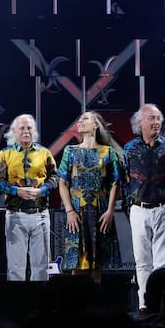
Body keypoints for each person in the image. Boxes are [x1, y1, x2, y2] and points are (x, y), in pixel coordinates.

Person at [123, 103, 165, 313]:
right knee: (142, 261)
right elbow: (125, 180)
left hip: (163, 208)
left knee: (162, 262)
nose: (156, 122)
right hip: (138, 209)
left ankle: (161, 304)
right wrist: (128, 207)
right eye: (151, 118)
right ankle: (144, 305)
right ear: (140, 122)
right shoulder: (129, 148)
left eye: (158, 118)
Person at [58, 111, 123, 283]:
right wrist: (69, 210)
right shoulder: (70, 151)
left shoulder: (108, 152)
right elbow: (62, 182)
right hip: (77, 211)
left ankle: (95, 304)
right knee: (77, 264)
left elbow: (115, 183)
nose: (80, 121)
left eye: (85, 119)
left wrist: (110, 211)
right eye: (79, 119)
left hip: (100, 210)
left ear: (96, 125)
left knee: (97, 264)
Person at [0, 114, 58, 281]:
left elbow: (55, 179)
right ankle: (18, 304)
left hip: (40, 214)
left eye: (29, 127)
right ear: (14, 131)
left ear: (34, 131)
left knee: (41, 265)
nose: (26, 131)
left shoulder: (44, 153)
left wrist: (41, 191)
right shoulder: (5, 154)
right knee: (15, 266)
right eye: (22, 128)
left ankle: (40, 305)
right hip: (15, 214)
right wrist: (16, 191)